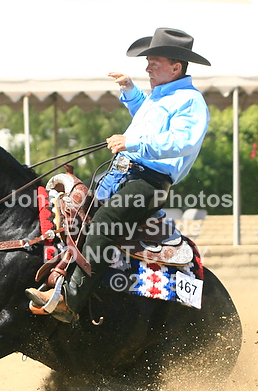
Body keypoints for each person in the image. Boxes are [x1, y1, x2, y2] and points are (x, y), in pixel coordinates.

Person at [26, 27, 211, 322]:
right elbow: (147, 120)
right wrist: (131, 92)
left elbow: (182, 142)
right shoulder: (162, 96)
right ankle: (61, 277)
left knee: (103, 223)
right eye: (147, 62)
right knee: (75, 214)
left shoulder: (191, 101)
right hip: (121, 174)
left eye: (154, 63)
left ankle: (69, 301)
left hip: (149, 182)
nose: (147, 68)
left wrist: (132, 142)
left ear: (176, 67)